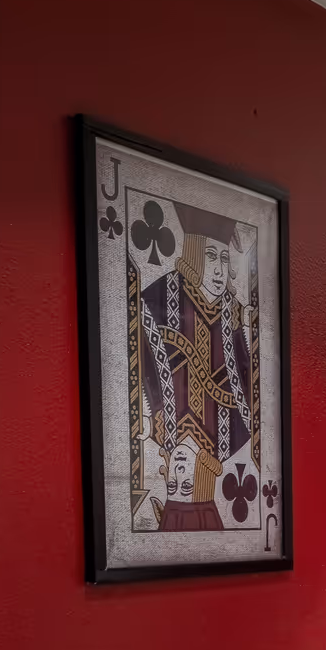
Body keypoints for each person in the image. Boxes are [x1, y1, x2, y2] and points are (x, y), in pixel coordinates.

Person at [131, 202, 255, 532]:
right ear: (193, 252)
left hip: (218, 444)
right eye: (211, 256)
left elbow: (247, 397)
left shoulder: (237, 315)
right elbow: (141, 377)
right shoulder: (154, 303)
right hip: (170, 435)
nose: (218, 270)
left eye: (224, 258)